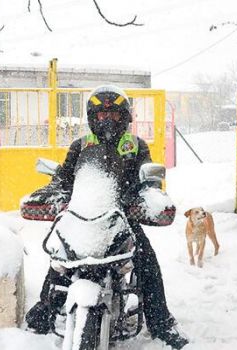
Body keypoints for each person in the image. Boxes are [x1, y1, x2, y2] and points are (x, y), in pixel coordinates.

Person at [24, 85, 188, 349]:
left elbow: (147, 181)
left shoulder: (135, 146)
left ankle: (161, 323)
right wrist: (50, 193)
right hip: (83, 216)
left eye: (113, 114)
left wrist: (147, 200)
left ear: (124, 117)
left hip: (123, 218)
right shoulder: (81, 145)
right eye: (101, 115)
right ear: (92, 118)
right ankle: (44, 309)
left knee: (147, 263)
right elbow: (65, 179)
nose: (107, 120)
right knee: (59, 258)